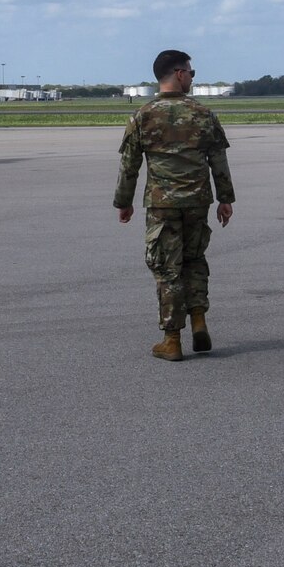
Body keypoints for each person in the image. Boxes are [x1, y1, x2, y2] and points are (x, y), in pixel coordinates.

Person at [114, 49, 235, 361]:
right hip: (197, 202)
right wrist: (225, 199)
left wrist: (123, 203)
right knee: (195, 262)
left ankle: (172, 339)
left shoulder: (143, 115)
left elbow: (130, 165)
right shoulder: (203, 114)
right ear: (179, 74)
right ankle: (198, 322)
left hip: (162, 204)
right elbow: (218, 160)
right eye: (191, 74)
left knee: (168, 269)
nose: (193, 79)